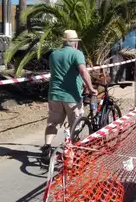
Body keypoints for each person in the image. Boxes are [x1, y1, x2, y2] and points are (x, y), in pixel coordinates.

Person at [40, 29, 97, 165]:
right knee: (75, 125)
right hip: (72, 96)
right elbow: (83, 71)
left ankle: (47, 147)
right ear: (75, 43)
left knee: (52, 123)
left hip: (54, 95)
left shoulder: (54, 54)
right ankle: (74, 152)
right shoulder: (77, 54)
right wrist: (90, 88)